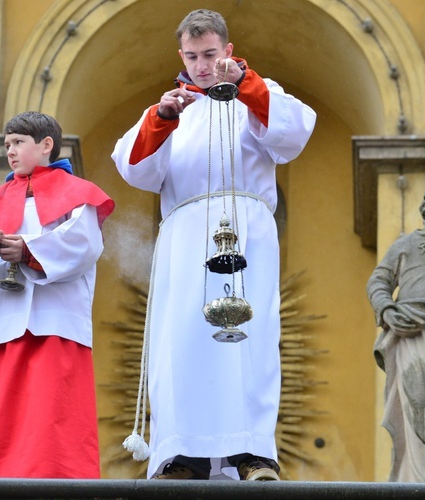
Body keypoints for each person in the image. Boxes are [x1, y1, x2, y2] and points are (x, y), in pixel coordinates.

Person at [111, 9, 316, 480]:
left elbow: (293, 134)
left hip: (246, 230)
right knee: (181, 337)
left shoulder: (258, 92)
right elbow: (134, 167)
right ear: (180, 55)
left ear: (226, 50)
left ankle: (253, 453)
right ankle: (180, 454)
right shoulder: (169, 108)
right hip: (185, 234)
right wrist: (163, 117)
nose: (202, 65)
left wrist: (245, 82)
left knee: (249, 339)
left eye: (209, 55)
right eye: (191, 56)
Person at [0, 111, 114, 478]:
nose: (10, 151)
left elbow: (83, 244)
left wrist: (26, 250)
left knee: (49, 418)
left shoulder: (77, 196)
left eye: (19, 143)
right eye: (7, 144)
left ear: (46, 146)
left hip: (52, 324)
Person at [367, 180, 425, 482]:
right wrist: (387, 309)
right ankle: (424, 482)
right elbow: (379, 281)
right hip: (411, 334)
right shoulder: (405, 244)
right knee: (418, 409)